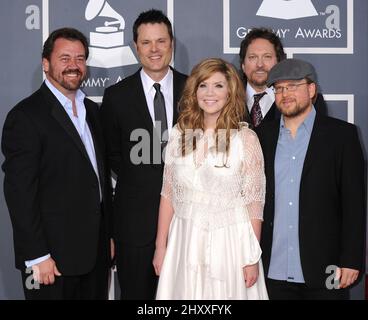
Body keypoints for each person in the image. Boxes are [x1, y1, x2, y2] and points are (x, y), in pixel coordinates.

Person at [1, 27, 112, 300]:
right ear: (46, 63)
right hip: (51, 261)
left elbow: (97, 180)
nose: (73, 66)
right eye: (65, 58)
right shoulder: (26, 116)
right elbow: (19, 193)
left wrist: (107, 237)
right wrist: (36, 255)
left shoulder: (94, 112)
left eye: (80, 58)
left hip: (95, 258)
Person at [153, 58, 269, 299]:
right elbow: (168, 194)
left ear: (230, 92)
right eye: (203, 85)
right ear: (194, 91)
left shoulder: (245, 139)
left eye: (218, 86)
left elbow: (254, 204)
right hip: (183, 240)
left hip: (229, 243)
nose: (209, 93)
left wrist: (251, 257)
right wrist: (160, 247)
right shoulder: (178, 134)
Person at [256, 58, 365, 300]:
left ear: (312, 89)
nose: (285, 94)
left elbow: (353, 204)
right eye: (279, 88)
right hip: (272, 269)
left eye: (293, 86)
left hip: (326, 268)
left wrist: (350, 260)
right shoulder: (261, 137)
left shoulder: (342, 136)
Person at [100, 9, 187, 300]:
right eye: (147, 42)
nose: (154, 49)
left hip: (189, 222)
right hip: (134, 227)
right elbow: (111, 154)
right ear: (135, 46)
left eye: (161, 41)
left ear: (171, 43)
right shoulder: (116, 97)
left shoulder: (196, 91)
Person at [239, 27, 327, 127]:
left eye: (267, 57)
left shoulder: (309, 100)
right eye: (252, 57)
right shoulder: (226, 99)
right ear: (243, 65)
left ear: (279, 62)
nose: (260, 64)